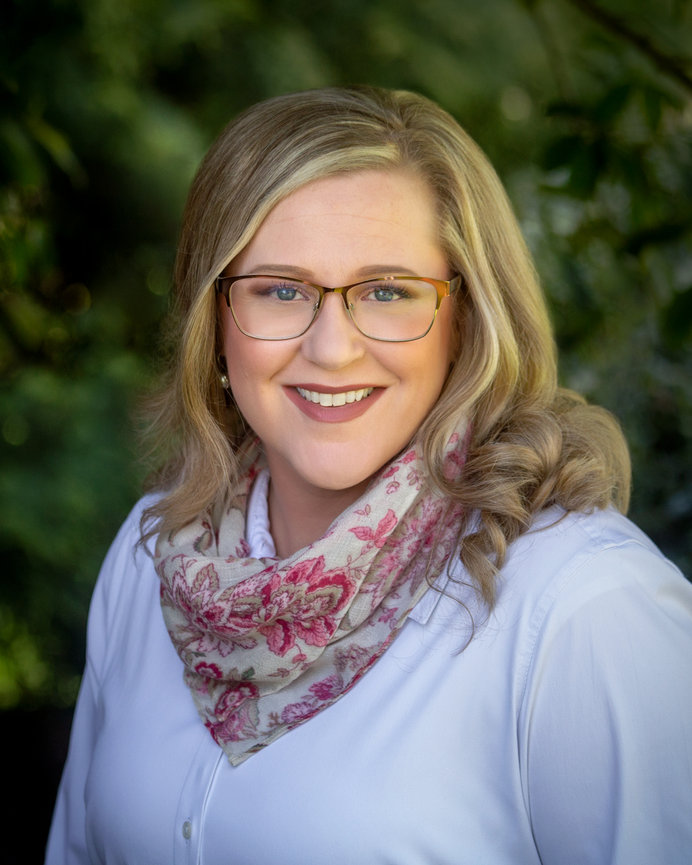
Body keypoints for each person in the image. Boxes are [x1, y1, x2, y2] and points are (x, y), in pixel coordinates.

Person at [46, 86, 692, 864]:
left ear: (466, 319)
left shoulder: (583, 607)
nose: (332, 349)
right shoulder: (150, 555)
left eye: (387, 291)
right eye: (280, 290)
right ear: (214, 322)